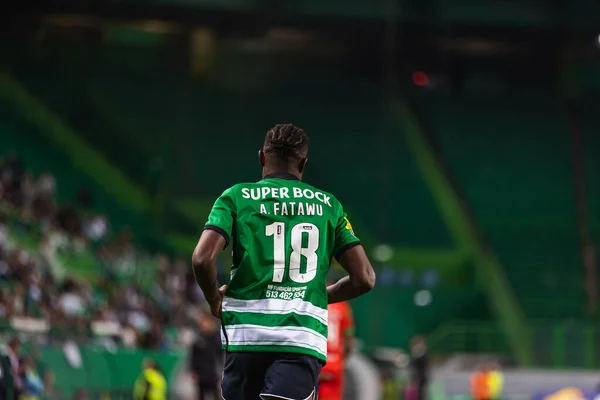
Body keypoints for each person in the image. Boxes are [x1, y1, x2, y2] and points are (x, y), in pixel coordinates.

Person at [192, 124, 376, 400]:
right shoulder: (329, 206)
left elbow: (201, 258)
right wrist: (320, 296)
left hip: (245, 338)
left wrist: (213, 299)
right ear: (303, 163)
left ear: (262, 158)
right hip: (299, 339)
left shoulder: (235, 197)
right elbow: (364, 278)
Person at [318, 280, 355, 400]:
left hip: (315, 360)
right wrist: (343, 361)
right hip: (335, 363)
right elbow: (349, 340)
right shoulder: (343, 307)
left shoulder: (314, 302)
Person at [190, 310, 223, 400]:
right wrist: (193, 370)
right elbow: (193, 357)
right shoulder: (198, 339)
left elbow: (221, 355)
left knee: (216, 395)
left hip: (214, 374)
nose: (204, 324)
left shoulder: (217, 338)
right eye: (203, 322)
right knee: (201, 396)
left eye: (207, 322)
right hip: (201, 375)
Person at [409, 336, 429, 400]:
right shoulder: (416, 354)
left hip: (421, 377)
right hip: (417, 377)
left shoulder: (423, 354)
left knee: (422, 392)